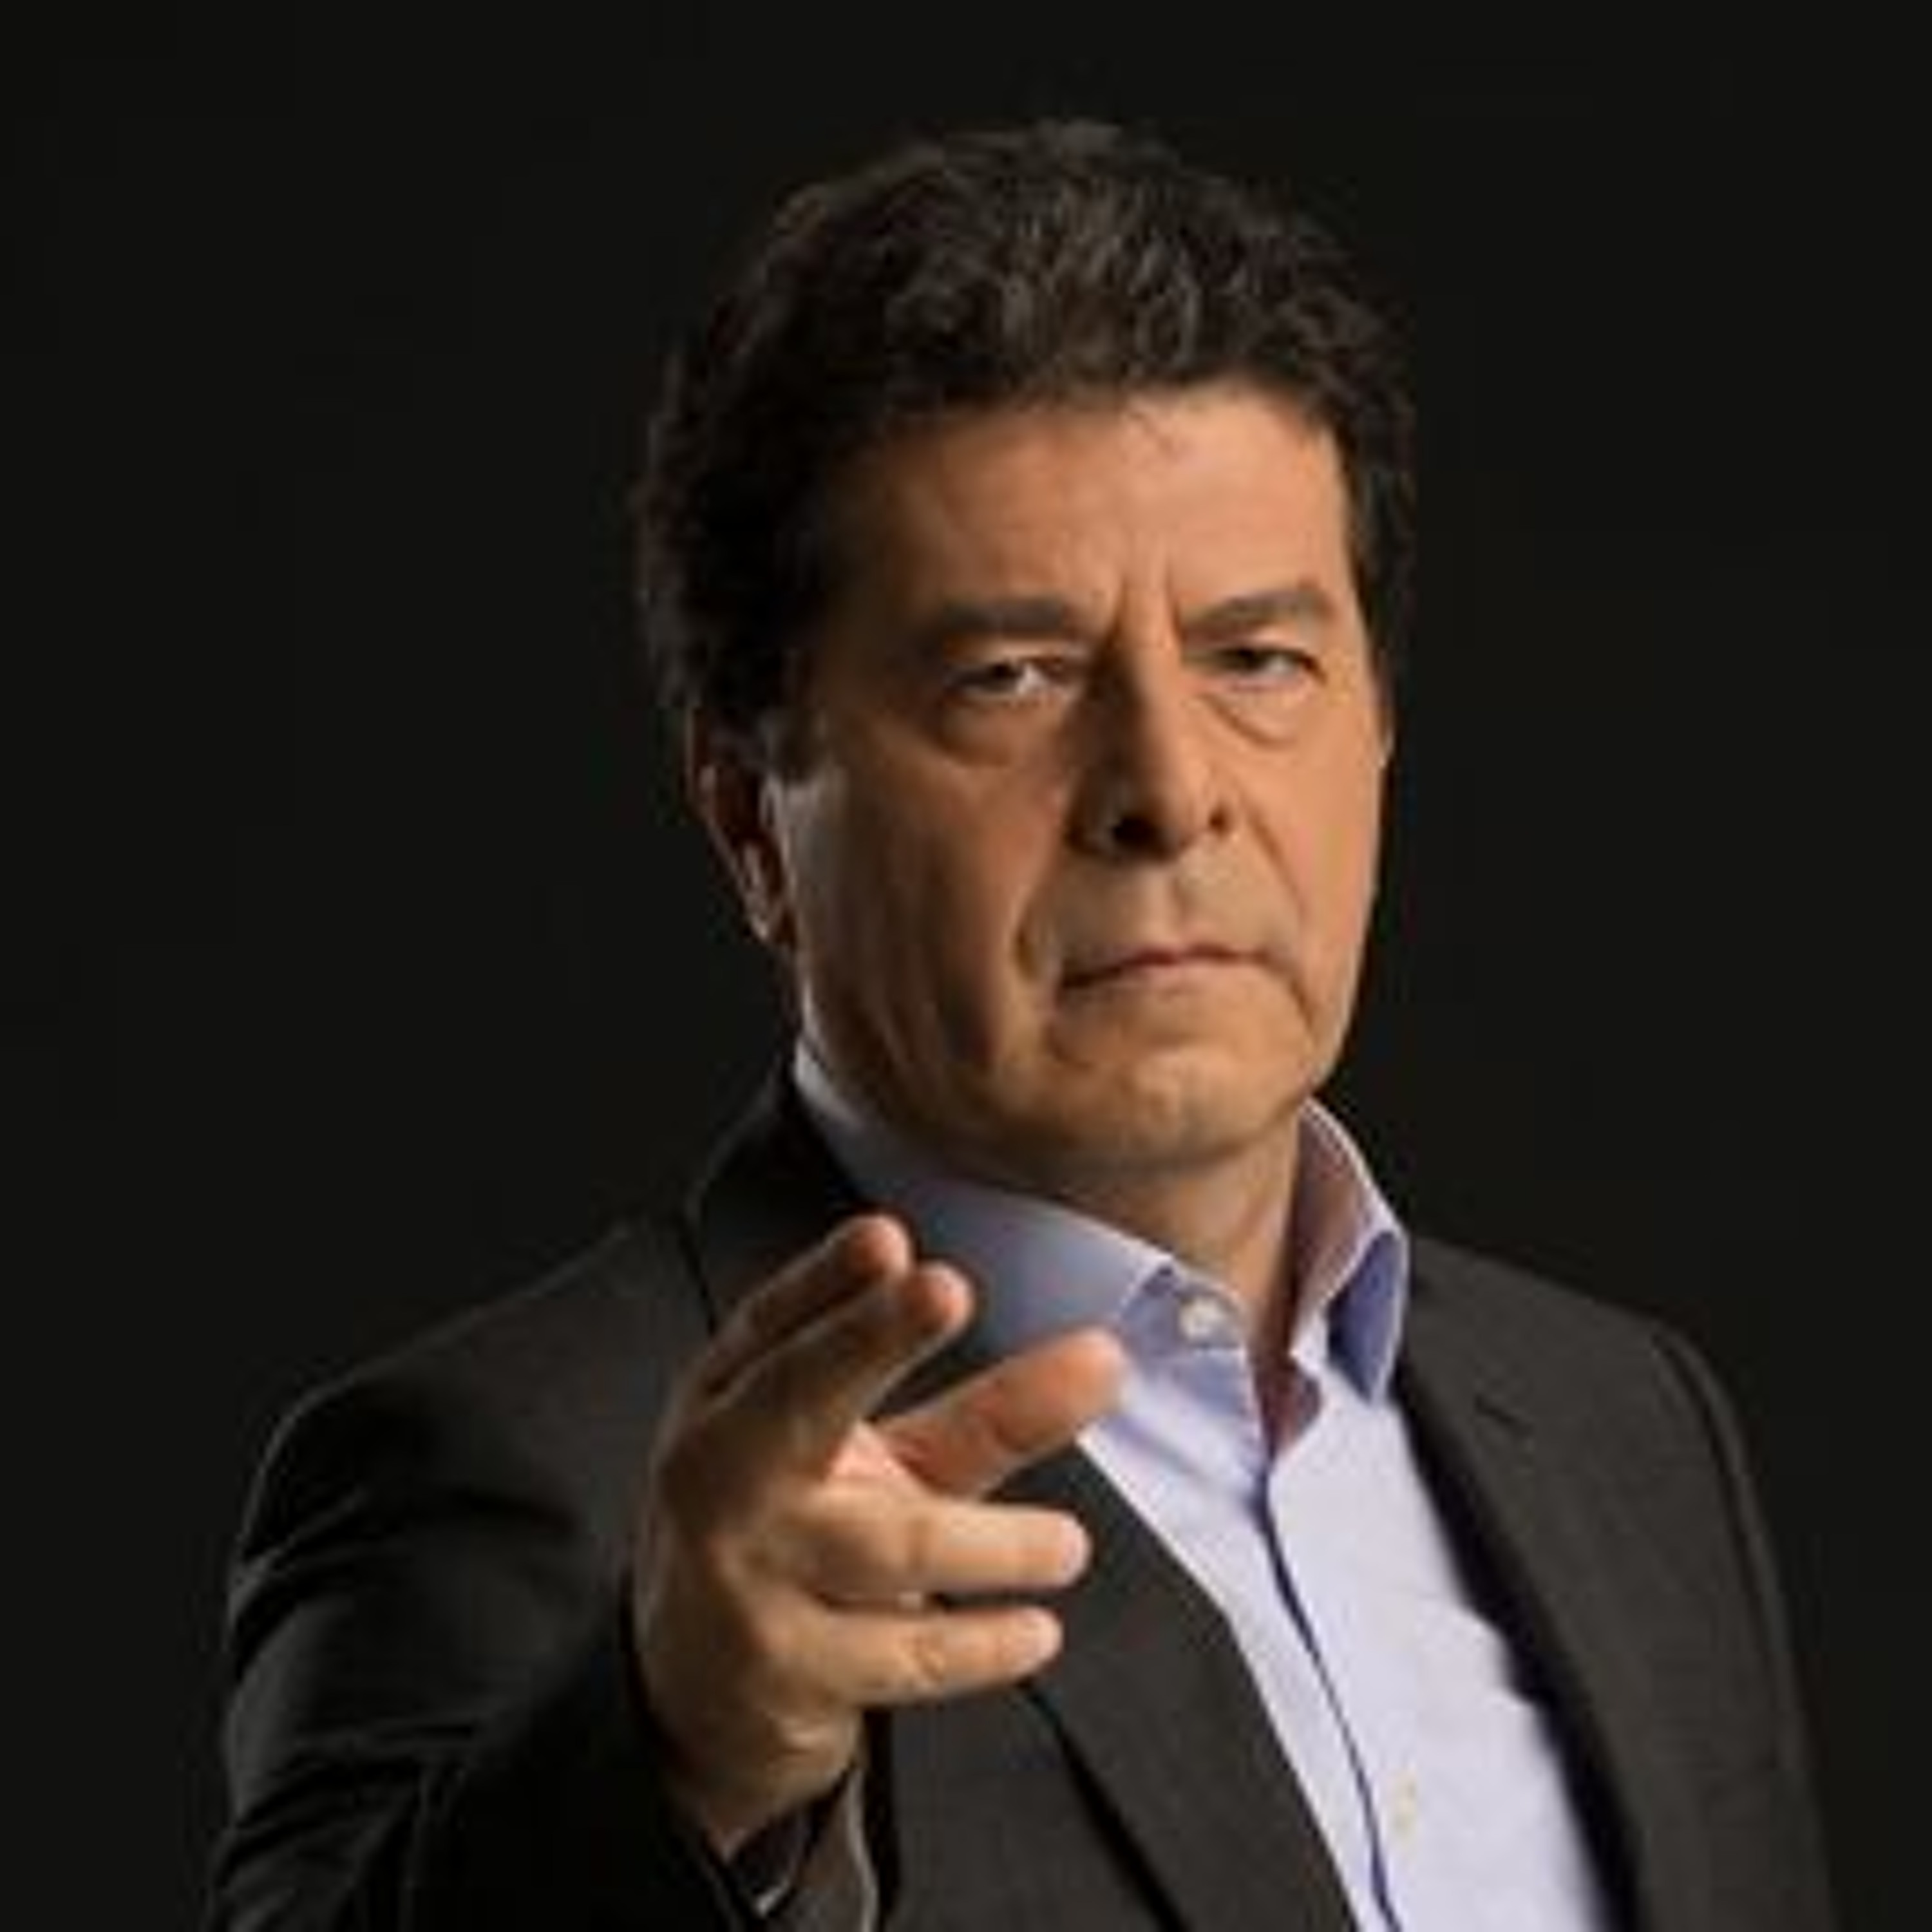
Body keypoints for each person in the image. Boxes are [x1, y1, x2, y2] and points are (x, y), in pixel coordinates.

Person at [205, 118, 1837, 1930]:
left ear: (1377, 726)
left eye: (1258, 659)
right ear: (752, 823)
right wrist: (675, 1759)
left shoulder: (1627, 1424)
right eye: (1012, 677)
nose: (1170, 791)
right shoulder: (529, 1474)